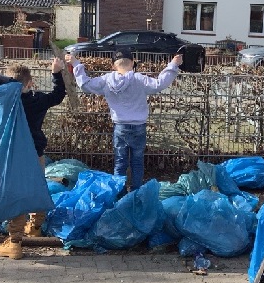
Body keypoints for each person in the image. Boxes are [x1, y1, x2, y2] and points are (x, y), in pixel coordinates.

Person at [0, 57, 66, 259]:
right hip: (36, 154)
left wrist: (12, 84)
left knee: (17, 196)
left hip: (14, 158)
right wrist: (56, 73)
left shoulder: (6, 102)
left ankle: (15, 243)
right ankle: (35, 226)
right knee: (37, 189)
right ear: (30, 83)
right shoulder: (38, 101)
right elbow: (58, 95)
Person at [65, 49, 182, 191]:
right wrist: (173, 65)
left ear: (113, 65)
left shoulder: (106, 80)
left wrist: (76, 63)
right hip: (139, 126)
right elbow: (160, 84)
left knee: (120, 162)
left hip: (120, 126)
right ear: (132, 63)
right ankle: (136, 192)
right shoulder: (139, 79)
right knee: (137, 162)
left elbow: (85, 85)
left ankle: (118, 194)